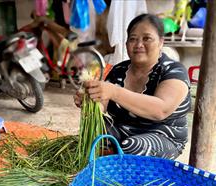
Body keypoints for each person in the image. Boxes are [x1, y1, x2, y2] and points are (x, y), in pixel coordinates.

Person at [74, 14, 191, 159]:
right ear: (126, 44)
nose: (139, 44)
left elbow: (161, 110)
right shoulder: (118, 71)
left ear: (161, 42)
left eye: (147, 38)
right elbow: (102, 107)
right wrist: (89, 101)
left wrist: (114, 92)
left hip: (163, 136)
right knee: (90, 133)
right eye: (133, 39)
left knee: (132, 145)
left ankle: (120, 164)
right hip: (123, 131)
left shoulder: (174, 70)